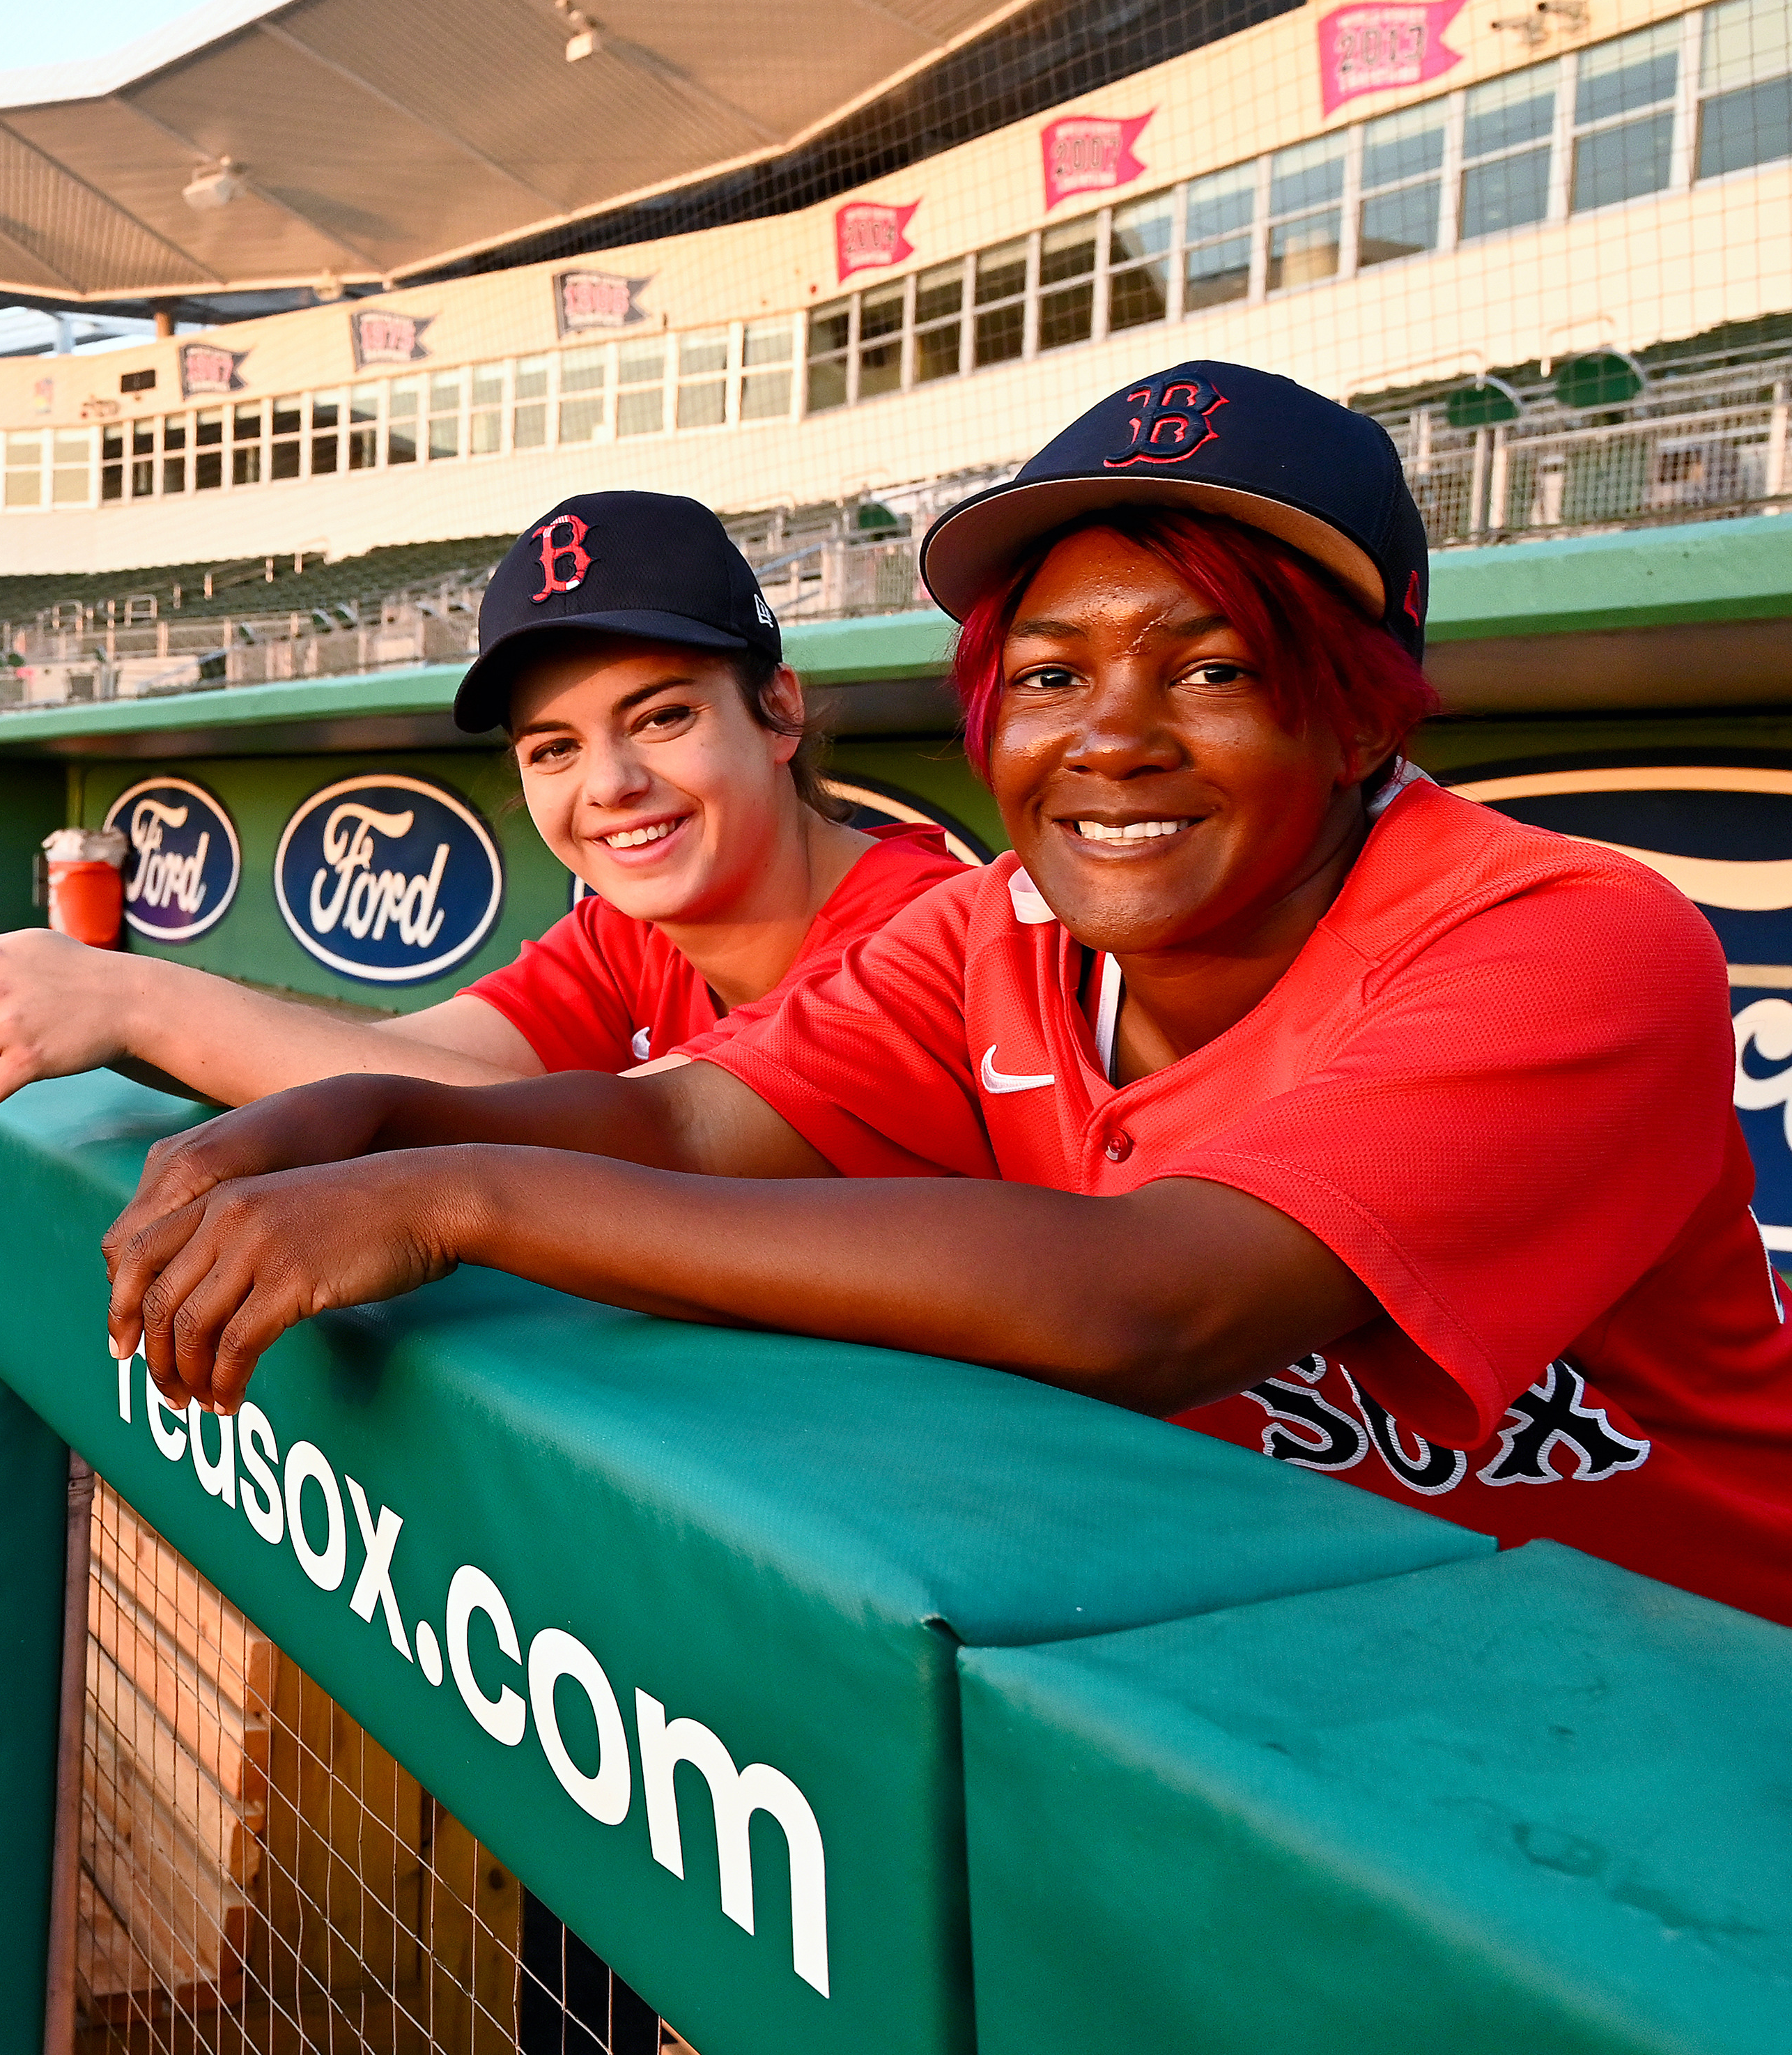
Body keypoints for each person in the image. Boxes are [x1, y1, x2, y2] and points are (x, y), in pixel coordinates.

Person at [98, 360, 1792, 1626]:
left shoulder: (1562, 937)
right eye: (1050, 676)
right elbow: (697, 1111)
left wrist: (457, 1187)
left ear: (1361, 720)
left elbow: (1154, 1305)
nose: (1111, 738)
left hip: (1680, 1716)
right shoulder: (995, 927)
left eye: (1210, 669)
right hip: (1299, 1654)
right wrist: (378, 1112)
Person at [0, 491, 964, 1123]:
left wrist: (137, 998)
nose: (610, 785)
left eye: (662, 717)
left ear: (776, 708)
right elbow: (394, 1062)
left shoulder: (926, 934)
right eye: (554, 747)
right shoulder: (628, 936)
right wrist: (95, 1012)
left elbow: (641, 1140)